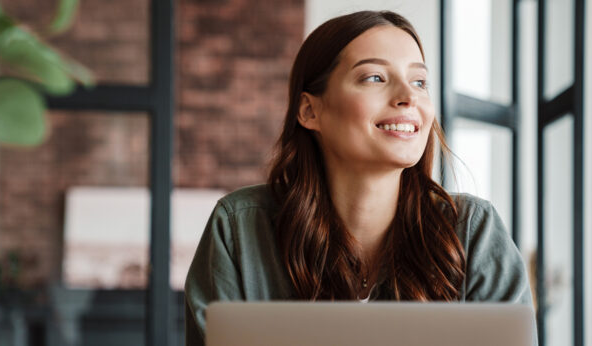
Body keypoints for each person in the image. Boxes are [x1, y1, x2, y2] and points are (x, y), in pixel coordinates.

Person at [184, 10, 535, 346]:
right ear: (309, 110)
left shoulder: (473, 232)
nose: (409, 97)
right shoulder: (238, 230)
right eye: (375, 78)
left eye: (420, 81)